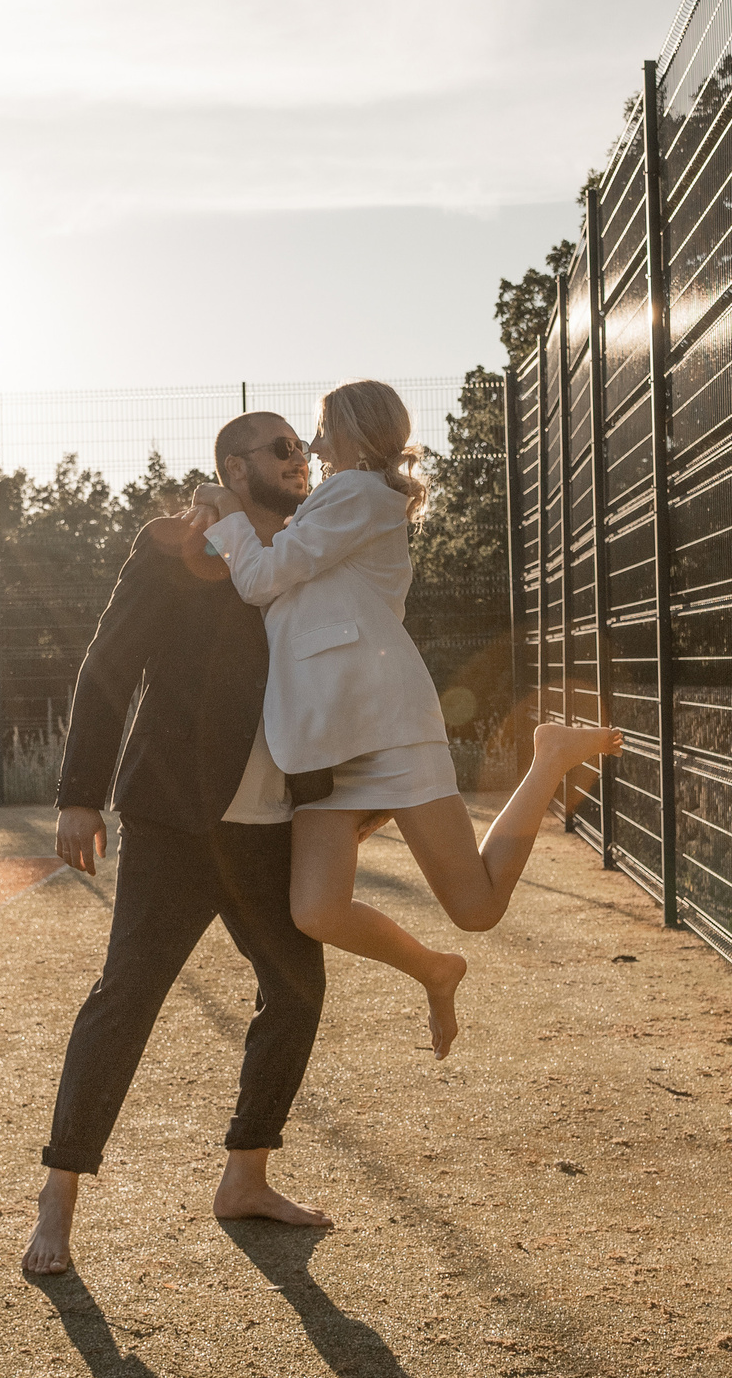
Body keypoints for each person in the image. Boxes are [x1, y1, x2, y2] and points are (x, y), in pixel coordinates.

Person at [192, 379, 621, 1061]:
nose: (310, 442)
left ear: (355, 432)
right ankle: (433, 967)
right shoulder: (338, 501)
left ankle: (547, 757)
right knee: (317, 910)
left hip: (383, 722)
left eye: (320, 427)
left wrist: (225, 519)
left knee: (476, 908)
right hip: (326, 738)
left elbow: (260, 578)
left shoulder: (357, 494)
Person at [22, 411, 337, 1278]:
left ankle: (246, 1175)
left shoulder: (309, 548)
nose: (300, 459)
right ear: (236, 468)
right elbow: (107, 667)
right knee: (127, 996)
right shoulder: (175, 545)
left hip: (271, 826)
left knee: (298, 991)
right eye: (282, 448)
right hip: (174, 817)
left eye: (302, 447)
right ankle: (60, 1192)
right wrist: (79, 795)